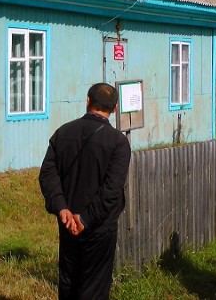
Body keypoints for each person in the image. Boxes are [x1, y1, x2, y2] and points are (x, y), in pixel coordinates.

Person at [39, 82, 132, 300]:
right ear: (115, 107)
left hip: (67, 222)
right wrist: (86, 218)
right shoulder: (118, 143)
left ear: (88, 101)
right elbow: (112, 190)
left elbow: (48, 175)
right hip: (98, 228)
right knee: (94, 288)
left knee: (68, 283)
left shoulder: (63, 133)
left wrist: (62, 208)